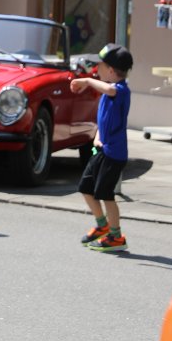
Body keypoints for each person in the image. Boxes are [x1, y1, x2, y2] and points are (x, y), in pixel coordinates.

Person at [71, 43, 133, 252]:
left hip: (114, 155)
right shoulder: (108, 91)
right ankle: (102, 225)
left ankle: (116, 237)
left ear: (111, 70)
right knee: (86, 188)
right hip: (101, 150)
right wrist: (98, 136)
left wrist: (88, 81)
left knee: (106, 195)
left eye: (101, 66)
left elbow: (110, 89)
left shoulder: (120, 90)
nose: (97, 69)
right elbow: (104, 120)